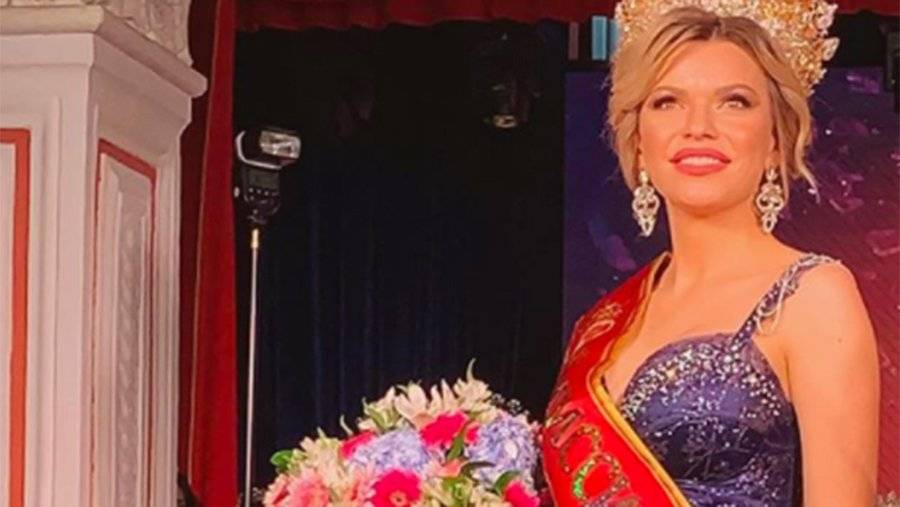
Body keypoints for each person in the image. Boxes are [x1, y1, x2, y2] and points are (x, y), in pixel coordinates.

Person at [541, 2, 880, 506]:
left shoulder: (812, 296)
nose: (697, 126)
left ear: (775, 140)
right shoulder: (604, 322)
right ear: (638, 142)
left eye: (734, 102)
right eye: (668, 102)